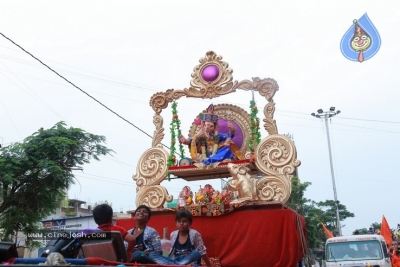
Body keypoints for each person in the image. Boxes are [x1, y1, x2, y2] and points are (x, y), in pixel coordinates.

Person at [179, 104, 243, 165]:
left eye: (211, 126)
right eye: (206, 125)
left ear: (214, 127)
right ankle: (208, 160)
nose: (208, 128)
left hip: (216, 154)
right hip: (204, 155)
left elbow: (227, 136)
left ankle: (212, 160)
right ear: (203, 125)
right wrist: (186, 141)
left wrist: (232, 131)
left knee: (227, 148)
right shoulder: (200, 134)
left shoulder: (216, 135)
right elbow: (191, 140)